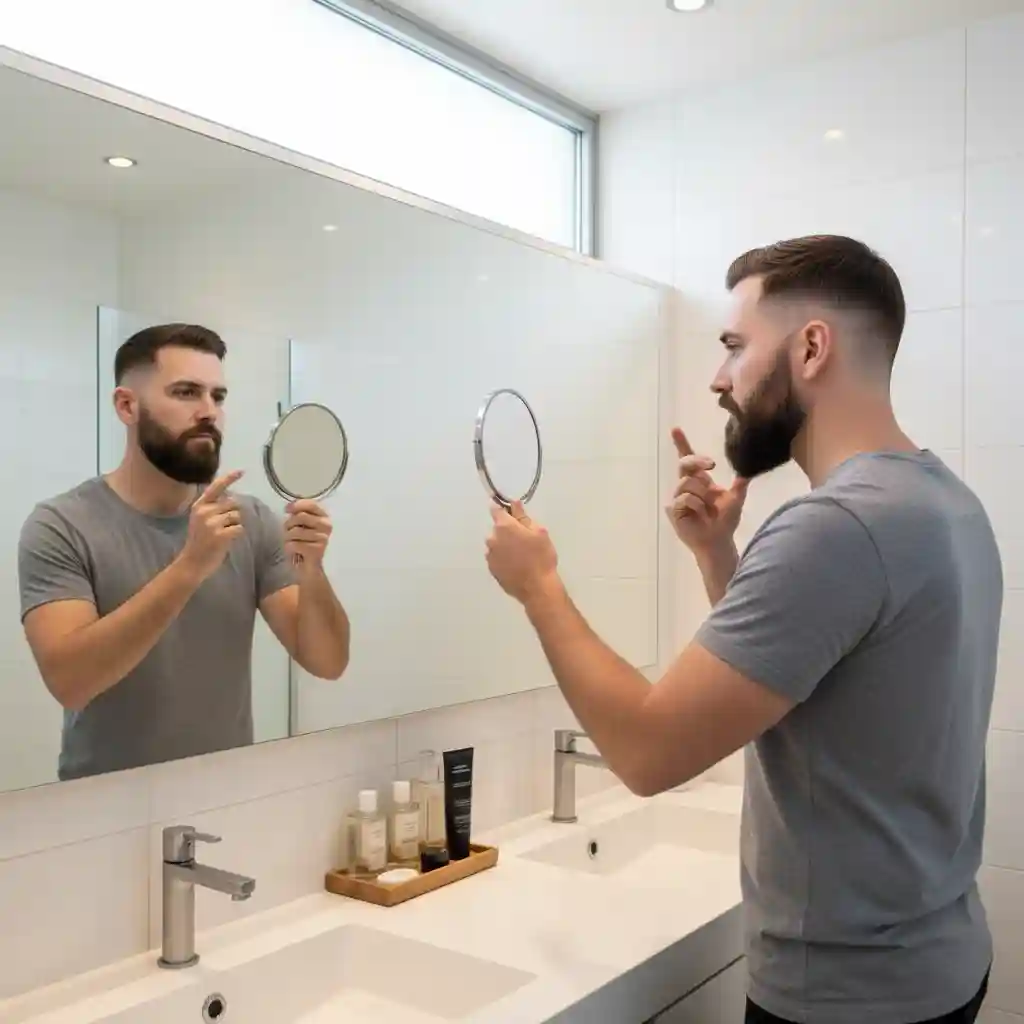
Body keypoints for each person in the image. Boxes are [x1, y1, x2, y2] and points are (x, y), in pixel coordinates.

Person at [484, 235, 1001, 1024]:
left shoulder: (835, 528)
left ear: (812, 347)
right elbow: (821, 682)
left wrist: (540, 588)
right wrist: (719, 554)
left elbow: (648, 753)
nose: (718, 379)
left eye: (734, 346)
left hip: (848, 1001)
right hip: (938, 964)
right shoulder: (946, 503)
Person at [18, 323, 350, 781]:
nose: (208, 412)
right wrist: (191, 565)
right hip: (97, 810)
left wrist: (311, 571)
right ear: (126, 406)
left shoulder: (251, 522)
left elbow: (328, 661)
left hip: (225, 796)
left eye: (218, 396)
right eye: (186, 392)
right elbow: (70, 682)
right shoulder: (61, 526)